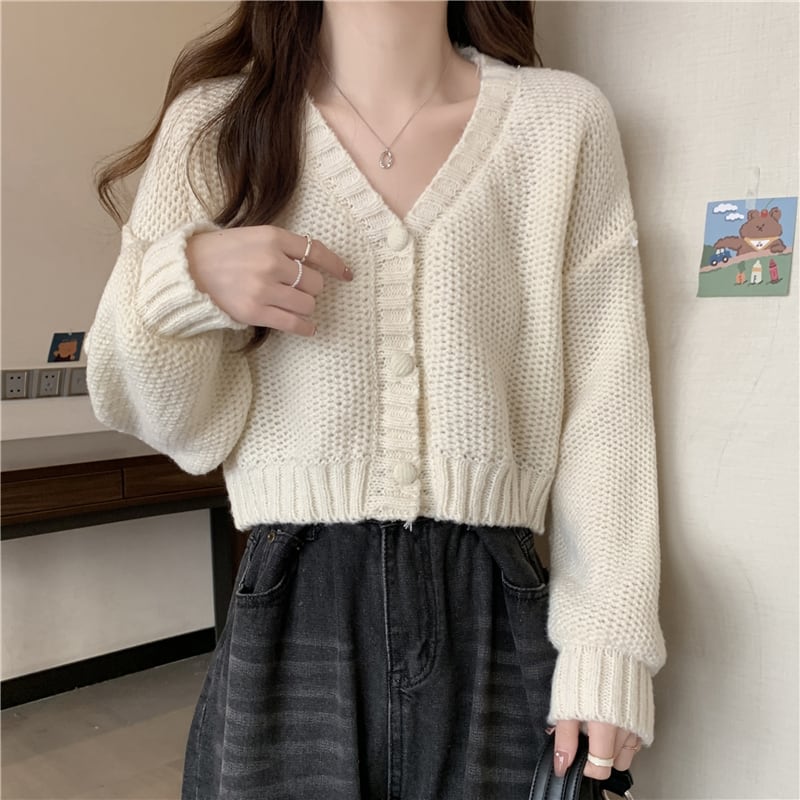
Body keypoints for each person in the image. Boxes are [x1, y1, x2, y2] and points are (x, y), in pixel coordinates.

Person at [86, 2, 667, 798]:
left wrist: (609, 642)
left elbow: (607, 403)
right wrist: (185, 281)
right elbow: (170, 422)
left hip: (495, 602)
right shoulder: (217, 125)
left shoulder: (562, 123)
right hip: (295, 603)